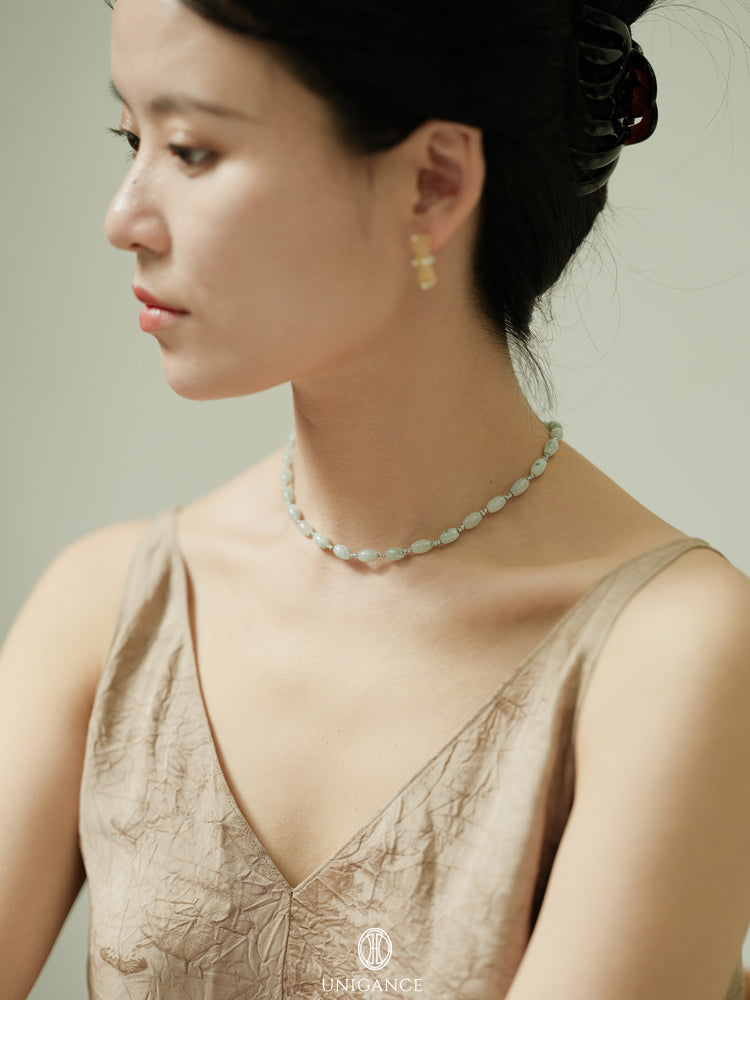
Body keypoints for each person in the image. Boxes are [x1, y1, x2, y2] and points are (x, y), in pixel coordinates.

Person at [1, 0, 749, 1001]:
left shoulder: (671, 652)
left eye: (189, 149)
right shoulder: (105, 613)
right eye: (130, 138)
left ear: (432, 182)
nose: (122, 216)